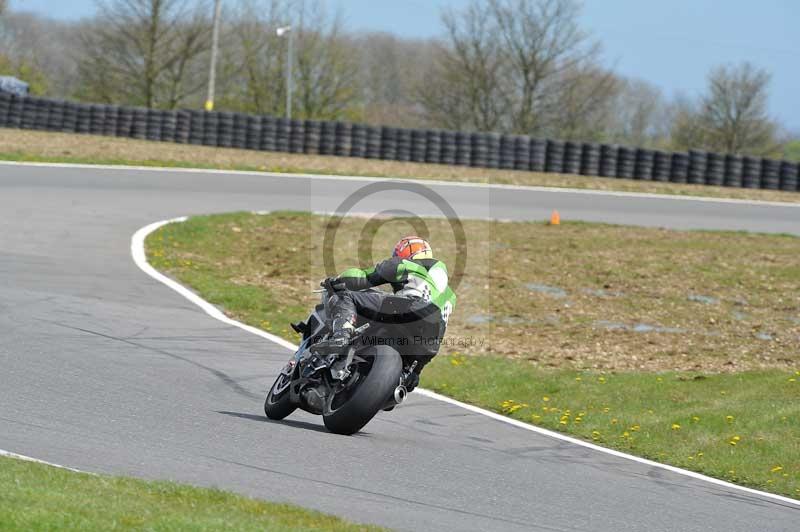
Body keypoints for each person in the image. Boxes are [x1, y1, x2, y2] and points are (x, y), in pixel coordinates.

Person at [316, 236, 456, 391]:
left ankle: (341, 337)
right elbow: (438, 330)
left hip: (409, 307)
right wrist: (416, 371)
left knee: (345, 296)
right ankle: (400, 380)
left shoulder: (407, 264)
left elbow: (363, 278)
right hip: (432, 335)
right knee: (408, 377)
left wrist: (338, 280)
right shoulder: (449, 295)